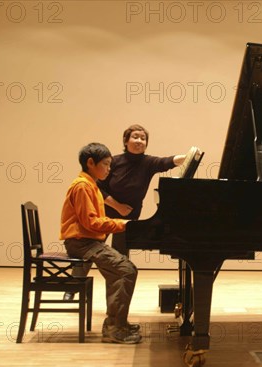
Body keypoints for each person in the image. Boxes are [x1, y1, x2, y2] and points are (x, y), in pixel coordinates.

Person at [60, 142, 142, 344]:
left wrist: (120, 224)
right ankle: (115, 328)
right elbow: (91, 222)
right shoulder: (82, 187)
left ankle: (115, 323)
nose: (109, 169)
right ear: (90, 163)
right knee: (126, 269)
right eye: (105, 164)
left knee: (121, 269)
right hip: (82, 242)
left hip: (89, 241)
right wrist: (123, 224)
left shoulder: (91, 185)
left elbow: (93, 222)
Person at [98, 124, 186, 256]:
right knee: (93, 247)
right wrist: (117, 206)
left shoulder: (148, 163)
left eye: (143, 138)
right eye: (135, 137)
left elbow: (165, 162)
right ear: (126, 141)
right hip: (104, 212)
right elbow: (98, 187)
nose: (139, 141)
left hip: (128, 217)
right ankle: (78, 277)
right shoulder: (114, 161)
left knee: (120, 254)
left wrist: (186, 157)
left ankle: (120, 277)